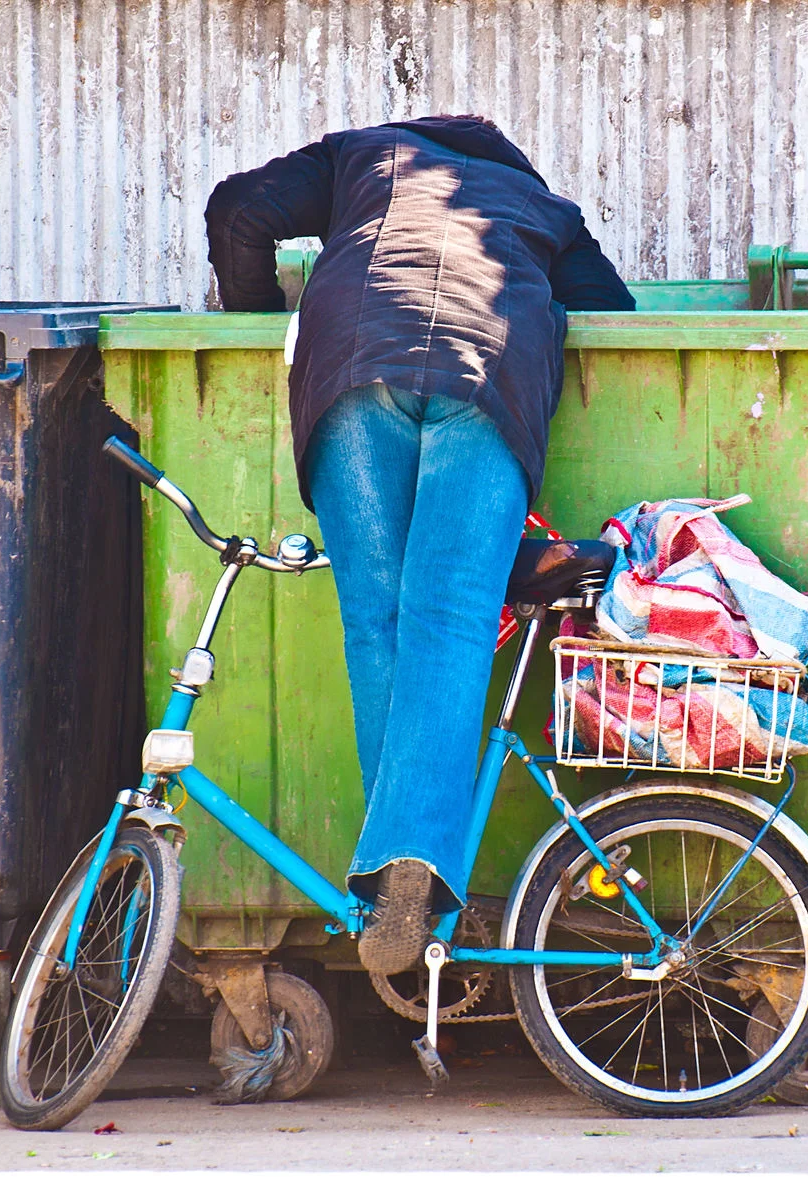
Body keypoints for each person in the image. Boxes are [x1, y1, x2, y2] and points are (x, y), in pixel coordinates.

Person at [205, 116, 634, 975]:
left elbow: (238, 210)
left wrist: (259, 331)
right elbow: (619, 322)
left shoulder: (365, 155)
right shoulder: (542, 206)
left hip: (354, 360)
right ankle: (415, 869)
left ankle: (392, 878)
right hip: (489, 374)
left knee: (379, 619)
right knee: (450, 614)